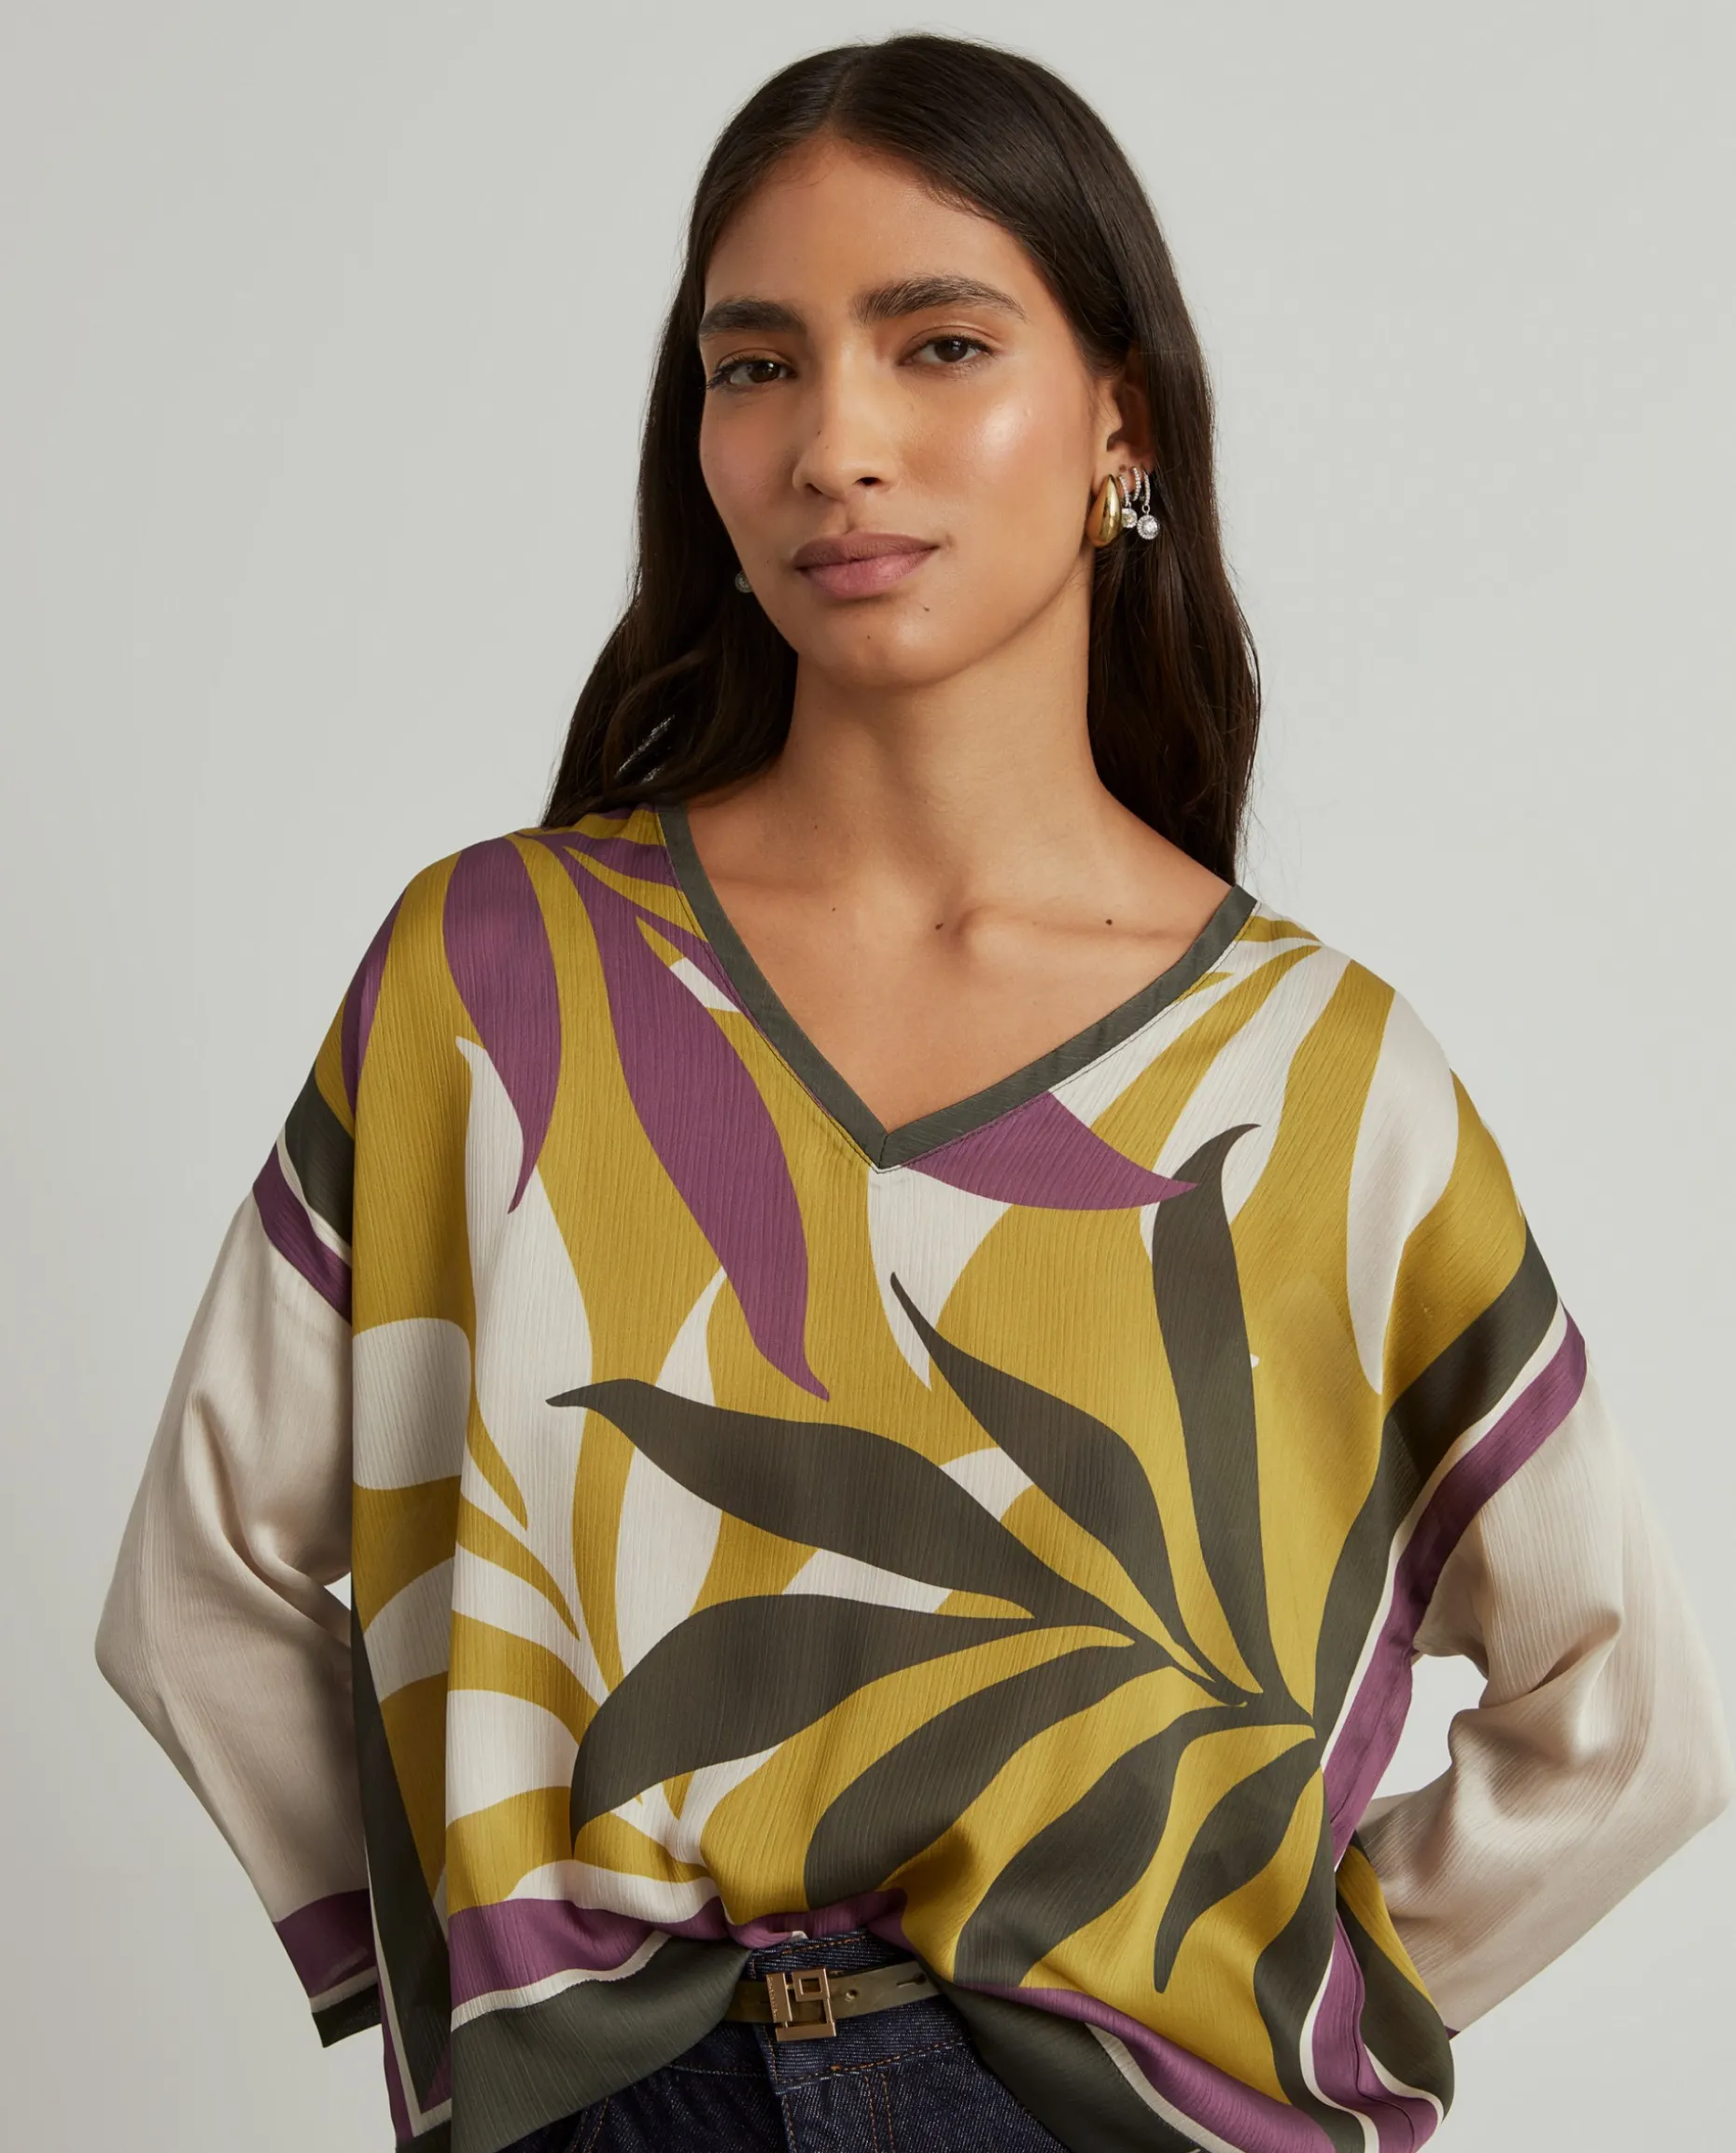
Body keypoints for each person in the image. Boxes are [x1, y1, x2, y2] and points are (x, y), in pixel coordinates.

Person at [94, 30, 1730, 2153]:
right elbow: (198, 1584)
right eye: (754, 365)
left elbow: (1626, 1717)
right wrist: (501, 2007)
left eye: (937, 343)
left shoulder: (1314, 1081)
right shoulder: (494, 989)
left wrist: (1256, 2015)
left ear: (1121, 418)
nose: (833, 444)